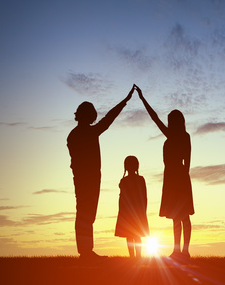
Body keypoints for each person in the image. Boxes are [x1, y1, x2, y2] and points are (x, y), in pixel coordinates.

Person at [67, 86, 134, 260]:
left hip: (85, 179)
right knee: (85, 214)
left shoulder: (74, 135)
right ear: (86, 115)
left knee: (86, 214)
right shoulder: (86, 133)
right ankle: (85, 251)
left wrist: (124, 101)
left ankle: (86, 250)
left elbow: (108, 119)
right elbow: (109, 119)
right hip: (86, 180)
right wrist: (125, 101)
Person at [135, 84, 194, 259]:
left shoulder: (182, 136)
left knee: (184, 216)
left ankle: (185, 250)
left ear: (176, 122)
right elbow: (154, 117)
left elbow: (188, 160)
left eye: (171, 120)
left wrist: (183, 176)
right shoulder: (172, 135)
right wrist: (142, 98)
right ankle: (178, 250)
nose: (168, 123)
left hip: (179, 176)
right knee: (177, 216)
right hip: (173, 176)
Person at [115, 156, 149, 258]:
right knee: (134, 235)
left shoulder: (126, 181)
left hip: (130, 212)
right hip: (135, 212)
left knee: (131, 235)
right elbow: (144, 197)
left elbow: (143, 196)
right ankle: (136, 257)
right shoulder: (137, 179)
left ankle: (134, 257)